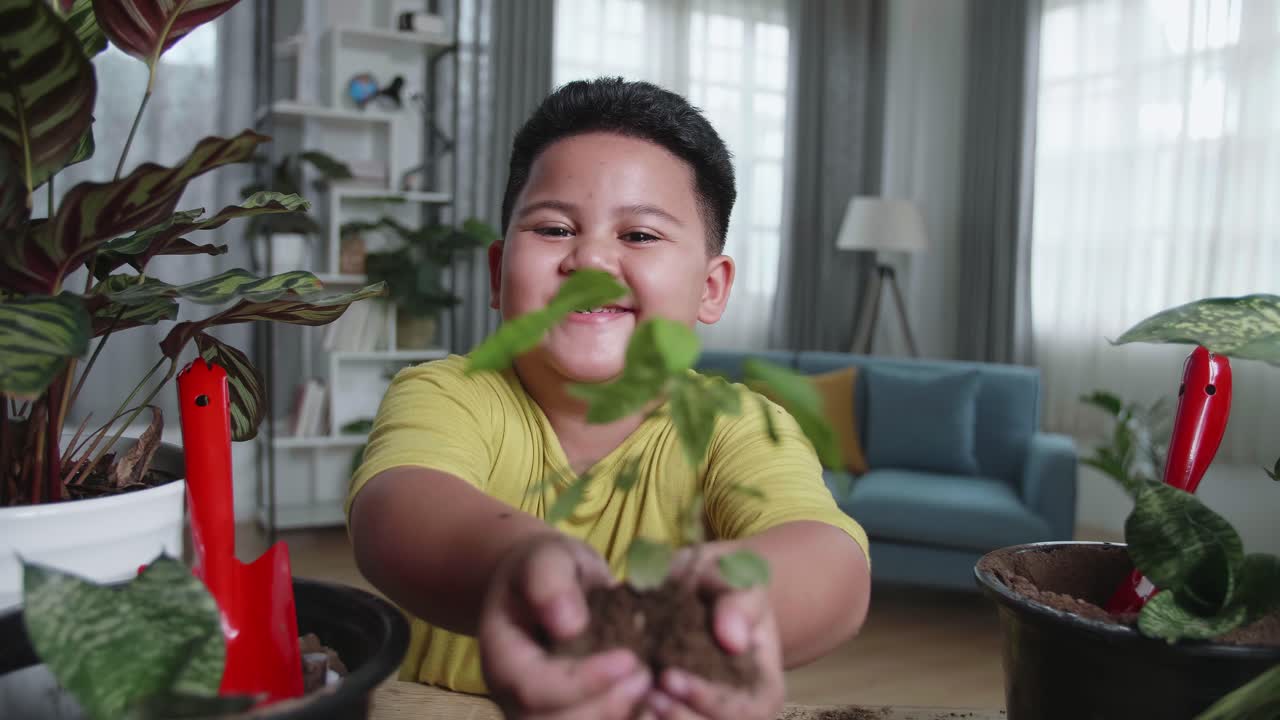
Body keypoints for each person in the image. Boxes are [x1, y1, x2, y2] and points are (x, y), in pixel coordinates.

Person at [346, 77, 871, 720]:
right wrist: (517, 564)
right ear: (497, 272)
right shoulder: (446, 394)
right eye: (554, 228)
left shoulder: (739, 427)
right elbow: (396, 508)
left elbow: (831, 560)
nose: (591, 259)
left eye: (640, 235)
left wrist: (737, 605)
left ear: (711, 287)